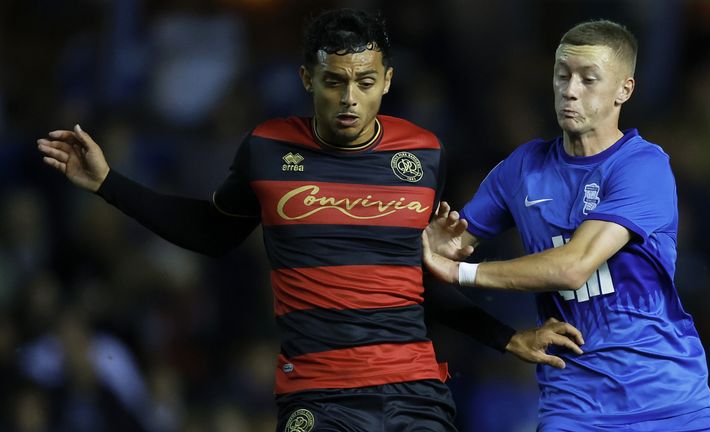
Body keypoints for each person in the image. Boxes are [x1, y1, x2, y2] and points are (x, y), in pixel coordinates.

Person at [37, 9, 584, 431]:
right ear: (307, 78)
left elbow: (419, 283)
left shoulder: (423, 155)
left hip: (415, 391)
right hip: (319, 396)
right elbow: (210, 232)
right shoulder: (267, 150)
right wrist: (109, 183)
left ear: (387, 81)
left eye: (365, 82)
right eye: (334, 81)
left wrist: (509, 338)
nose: (349, 98)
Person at [422, 19, 710, 431]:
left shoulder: (643, 165)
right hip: (574, 408)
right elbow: (438, 257)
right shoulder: (522, 170)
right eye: (562, 75)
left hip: (670, 401)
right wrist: (439, 246)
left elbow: (574, 265)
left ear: (624, 90)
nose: (570, 89)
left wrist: (462, 271)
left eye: (588, 79)